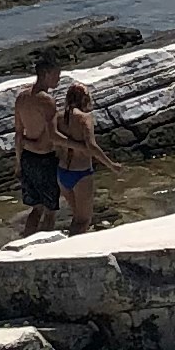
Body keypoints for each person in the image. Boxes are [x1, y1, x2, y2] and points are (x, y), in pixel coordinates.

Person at [10, 52, 64, 235]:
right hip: (45, 159)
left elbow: (18, 134)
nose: (59, 78)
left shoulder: (21, 98)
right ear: (47, 74)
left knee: (36, 207)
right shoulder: (47, 101)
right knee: (50, 210)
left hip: (27, 159)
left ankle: (28, 239)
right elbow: (51, 136)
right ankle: (44, 245)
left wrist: (19, 162)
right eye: (57, 74)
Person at [55, 77, 116, 234]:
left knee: (77, 217)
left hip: (62, 172)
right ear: (84, 98)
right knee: (84, 220)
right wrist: (111, 165)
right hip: (80, 173)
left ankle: (71, 243)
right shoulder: (85, 117)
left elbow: (54, 140)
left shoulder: (59, 116)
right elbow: (92, 146)